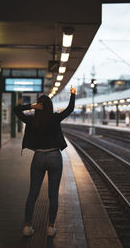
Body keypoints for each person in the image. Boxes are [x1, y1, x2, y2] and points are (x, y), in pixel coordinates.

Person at [14, 87, 76, 237]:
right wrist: (73, 94)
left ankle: (27, 227)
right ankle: (50, 227)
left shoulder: (32, 119)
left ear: (39, 106)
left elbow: (16, 110)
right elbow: (70, 109)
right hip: (55, 156)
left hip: (39, 157)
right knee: (53, 194)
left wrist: (31, 106)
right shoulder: (55, 118)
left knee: (33, 193)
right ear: (50, 106)